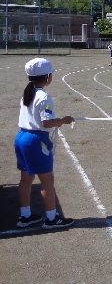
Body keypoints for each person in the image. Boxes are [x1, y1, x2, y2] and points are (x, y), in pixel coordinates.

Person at [14, 58, 75, 229]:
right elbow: (46, 123)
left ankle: (25, 216)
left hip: (21, 138)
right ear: (47, 77)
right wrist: (64, 120)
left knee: (26, 180)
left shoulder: (27, 93)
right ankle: (51, 219)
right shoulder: (43, 96)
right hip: (35, 141)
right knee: (47, 181)